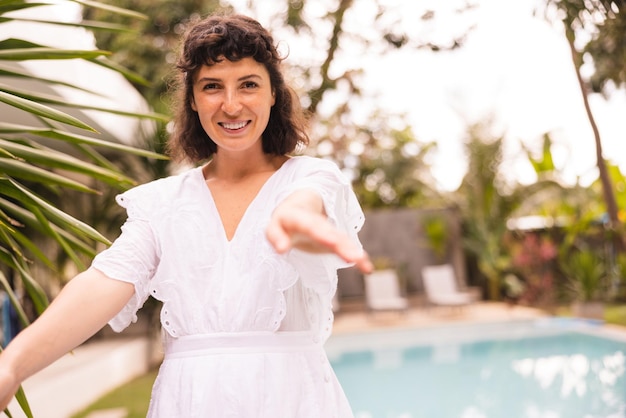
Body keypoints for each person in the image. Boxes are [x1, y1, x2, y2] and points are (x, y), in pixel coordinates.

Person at [0, 13, 372, 417]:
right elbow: (105, 280)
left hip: (292, 399)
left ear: (272, 95)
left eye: (248, 84)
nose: (231, 105)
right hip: (190, 402)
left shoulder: (312, 176)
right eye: (212, 87)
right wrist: (12, 365)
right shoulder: (161, 204)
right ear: (193, 100)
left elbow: (304, 203)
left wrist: (295, 220)